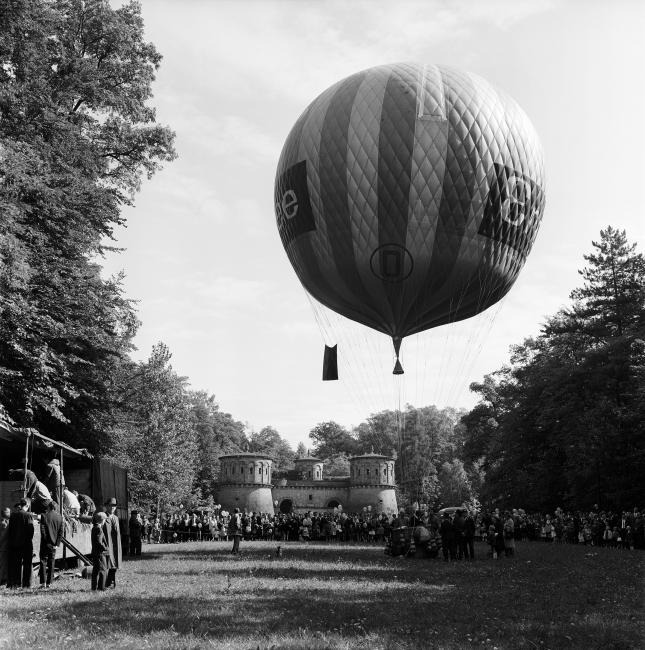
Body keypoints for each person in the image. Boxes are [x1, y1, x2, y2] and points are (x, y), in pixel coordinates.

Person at [7, 498, 35, 589]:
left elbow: (10, 530)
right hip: (26, 544)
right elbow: (31, 531)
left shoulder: (13, 515)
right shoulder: (28, 515)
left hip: (14, 544)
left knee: (16, 565)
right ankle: (26, 584)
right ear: (27, 505)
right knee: (27, 565)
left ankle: (16, 583)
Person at [39, 500, 64, 588]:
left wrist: (47, 542)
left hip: (45, 543)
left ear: (49, 507)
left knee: (43, 561)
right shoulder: (60, 517)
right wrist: (57, 544)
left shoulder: (44, 516)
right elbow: (61, 532)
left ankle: (43, 583)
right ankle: (49, 582)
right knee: (52, 562)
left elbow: (43, 531)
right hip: (54, 545)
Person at [103, 497, 122, 588]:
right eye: (110, 505)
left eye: (114, 505)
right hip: (107, 544)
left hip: (116, 545)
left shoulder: (116, 518)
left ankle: (111, 581)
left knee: (115, 564)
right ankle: (106, 582)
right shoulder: (103, 516)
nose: (112, 507)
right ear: (106, 506)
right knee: (107, 564)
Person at [91, 512, 109, 591]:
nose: (105, 521)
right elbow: (99, 542)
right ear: (102, 520)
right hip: (100, 553)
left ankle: (94, 587)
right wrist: (105, 548)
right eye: (105, 519)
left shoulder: (94, 527)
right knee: (103, 570)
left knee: (95, 570)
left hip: (95, 552)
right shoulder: (99, 529)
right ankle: (101, 587)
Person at [0, 507, 10, 585]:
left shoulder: (5, 522)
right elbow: (3, 536)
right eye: (9, 512)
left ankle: (4, 579)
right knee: (3, 564)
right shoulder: (4, 522)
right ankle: (3, 579)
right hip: (4, 546)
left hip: (5, 546)